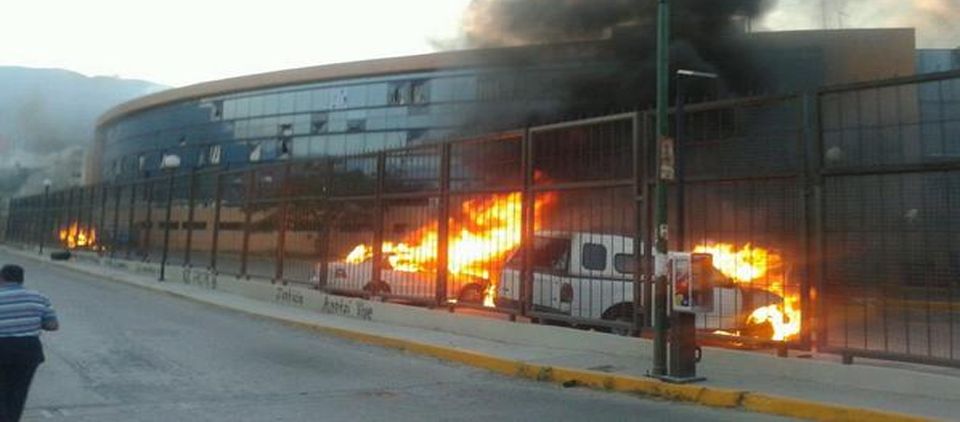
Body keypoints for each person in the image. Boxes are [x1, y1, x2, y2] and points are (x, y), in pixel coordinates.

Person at [0, 265, 58, 422]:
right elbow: (53, 325)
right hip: (28, 351)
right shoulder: (39, 297)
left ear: (2, 278)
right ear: (21, 279)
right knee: (19, 391)